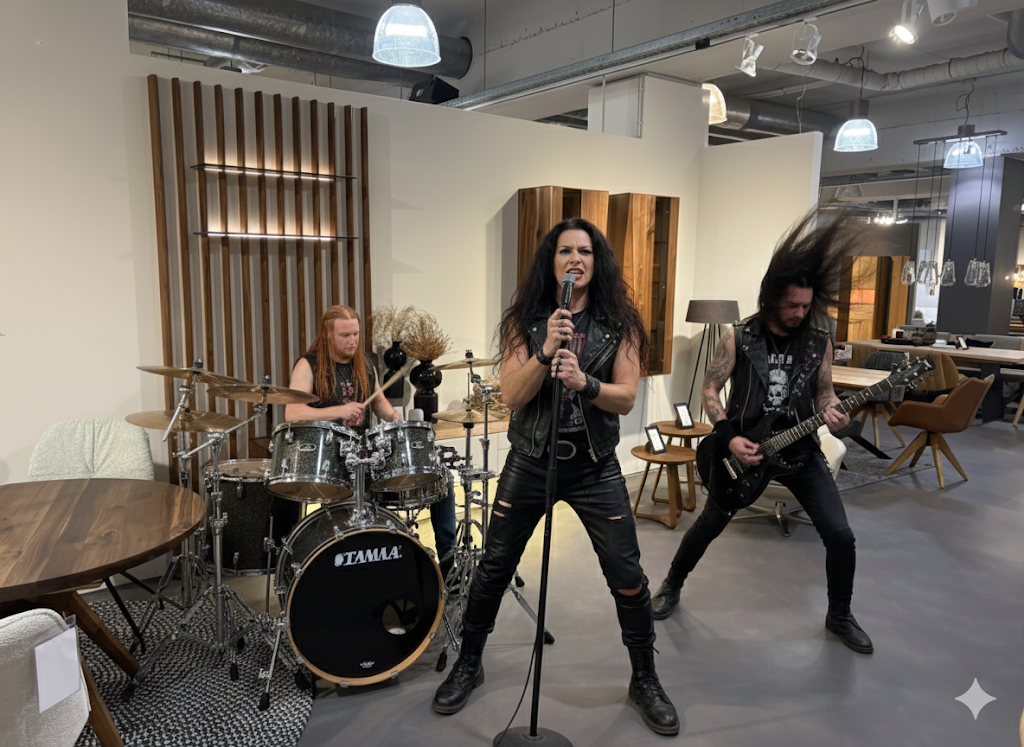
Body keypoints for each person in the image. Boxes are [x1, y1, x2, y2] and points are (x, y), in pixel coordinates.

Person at [431, 218, 679, 736]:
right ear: (552, 261)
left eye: (584, 251)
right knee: (494, 567)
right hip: (530, 460)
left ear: (596, 260)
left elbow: (626, 397)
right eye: (565, 251)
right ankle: (469, 664)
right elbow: (513, 395)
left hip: (594, 466)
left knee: (627, 574)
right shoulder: (526, 322)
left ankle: (645, 679)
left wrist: (586, 383)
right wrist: (545, 352)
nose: (575, 260)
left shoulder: (620, 323)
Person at [650, 211, 873, 655]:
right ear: (772, 298)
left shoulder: (818, 341)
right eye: (792, 305)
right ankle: (671, 585)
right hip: (744, 452)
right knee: (709, 524)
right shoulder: (739, 337)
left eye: (806, 306)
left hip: (801, 452)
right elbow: (710, 389)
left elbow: (825, 394)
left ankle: (839, 613)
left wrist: (832, 413)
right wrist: (729, 437)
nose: (800, 313)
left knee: (841, 535)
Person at [284, 305, 456, 573]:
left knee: (441, 476)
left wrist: (396, 419)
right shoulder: (309, 365)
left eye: (355, 334)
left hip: (368, 455)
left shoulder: (364, 363)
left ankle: (447, 562)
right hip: (334, 461)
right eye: (345, 335)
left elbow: (379, 402)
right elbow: (293, 412)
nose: (352, 340)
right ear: (328, 335)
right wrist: (340, 411)